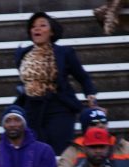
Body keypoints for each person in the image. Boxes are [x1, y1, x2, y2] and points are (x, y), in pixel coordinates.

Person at [14, 12, 98, 156]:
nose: (37, 29)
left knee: (59, 150)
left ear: (51, 31)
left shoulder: (64, 52)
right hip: (32, 107)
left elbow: (82, 77)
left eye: (42, 25)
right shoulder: (23, 53)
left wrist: (91, 95)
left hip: (58, 106)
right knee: (36, 152)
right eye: (33, 26)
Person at [56, 107, 129, 167]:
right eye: (94, 123)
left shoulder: (124, 146)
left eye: (103, 122)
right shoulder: (72, 151)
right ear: (85, 128)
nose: (101, 125)